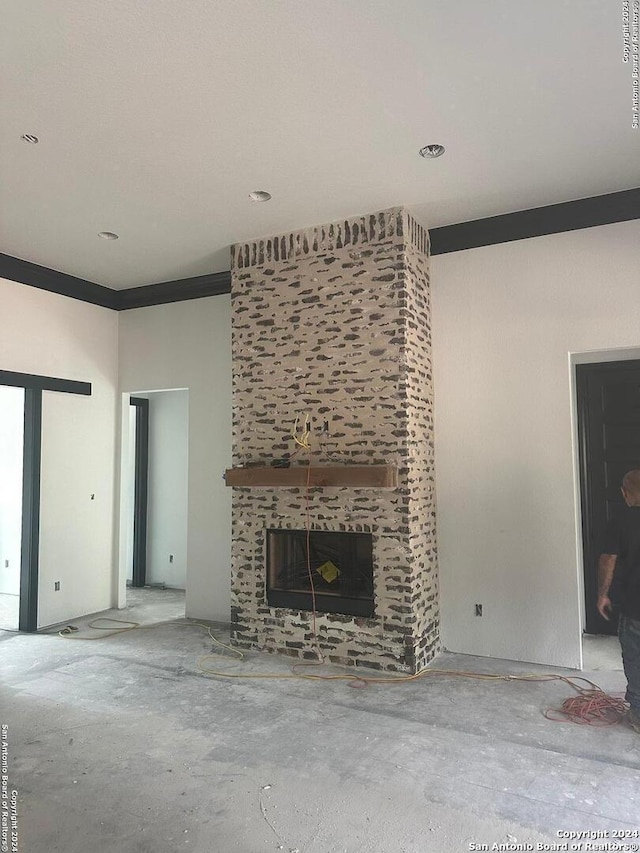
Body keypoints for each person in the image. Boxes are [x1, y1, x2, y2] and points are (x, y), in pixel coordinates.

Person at [597, 469, 640, 733]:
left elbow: (608, 559)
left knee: (635, 659)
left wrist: (602, 594)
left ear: (625, 493)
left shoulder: (619, 522)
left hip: (633, 607)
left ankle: (638, 712)